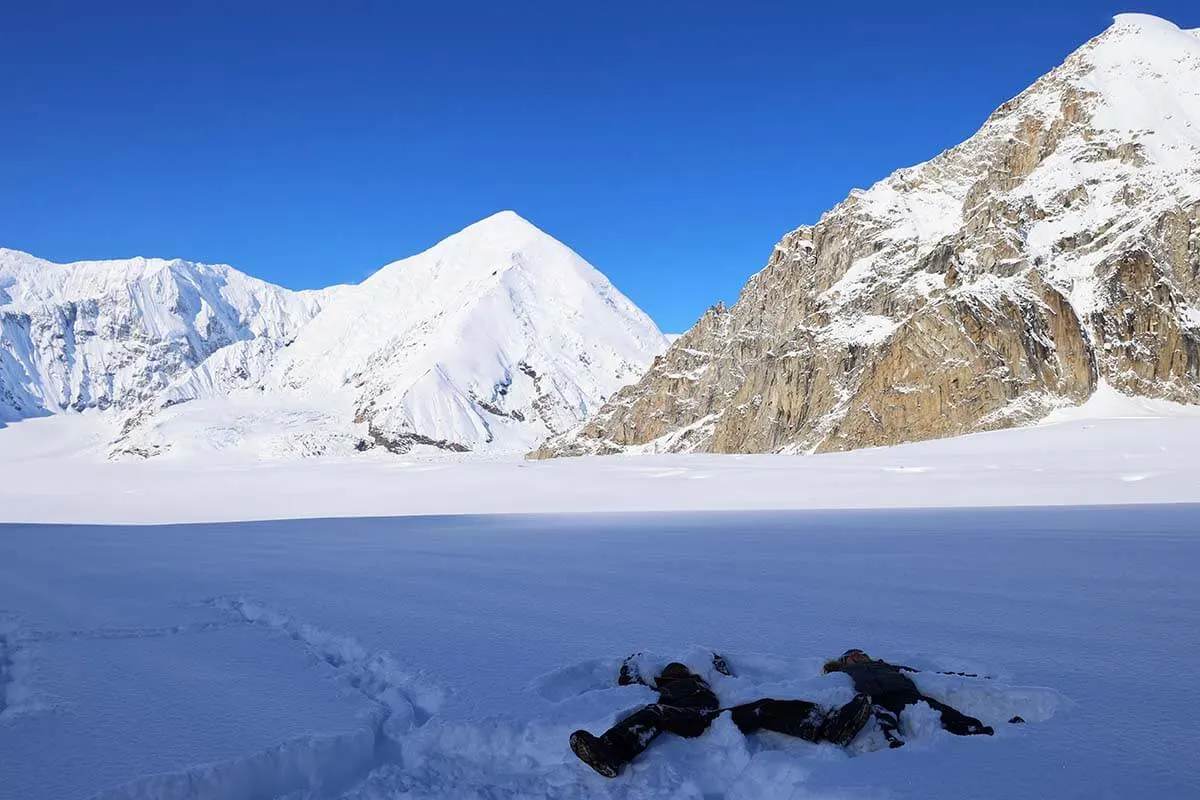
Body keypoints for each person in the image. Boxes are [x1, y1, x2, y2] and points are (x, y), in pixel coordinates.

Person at [569, 654, 873, 778]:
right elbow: (630, 684)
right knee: (655, 712)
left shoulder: (703, 681)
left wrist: (715, 660)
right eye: (674, 671)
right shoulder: (662, 690)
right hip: (683, 717)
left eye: (681, 669)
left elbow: (723, 674)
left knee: (763, 707)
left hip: (717, 718)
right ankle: (612, 751)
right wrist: (631, 663)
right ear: (666, 676)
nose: (678, 671)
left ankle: (829, 727)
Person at [823, 649, 994, 748]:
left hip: (904, 693)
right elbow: (825, 689)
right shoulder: (841, 673)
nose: (860, 656)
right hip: (874, 697)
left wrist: (969, 677)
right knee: (881, 717)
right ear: (844, 662)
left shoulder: (885, 666)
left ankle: (970, 728)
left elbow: (927, 675)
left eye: (862, 654)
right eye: (854, 655)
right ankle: (891, 740)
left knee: (936, 709)